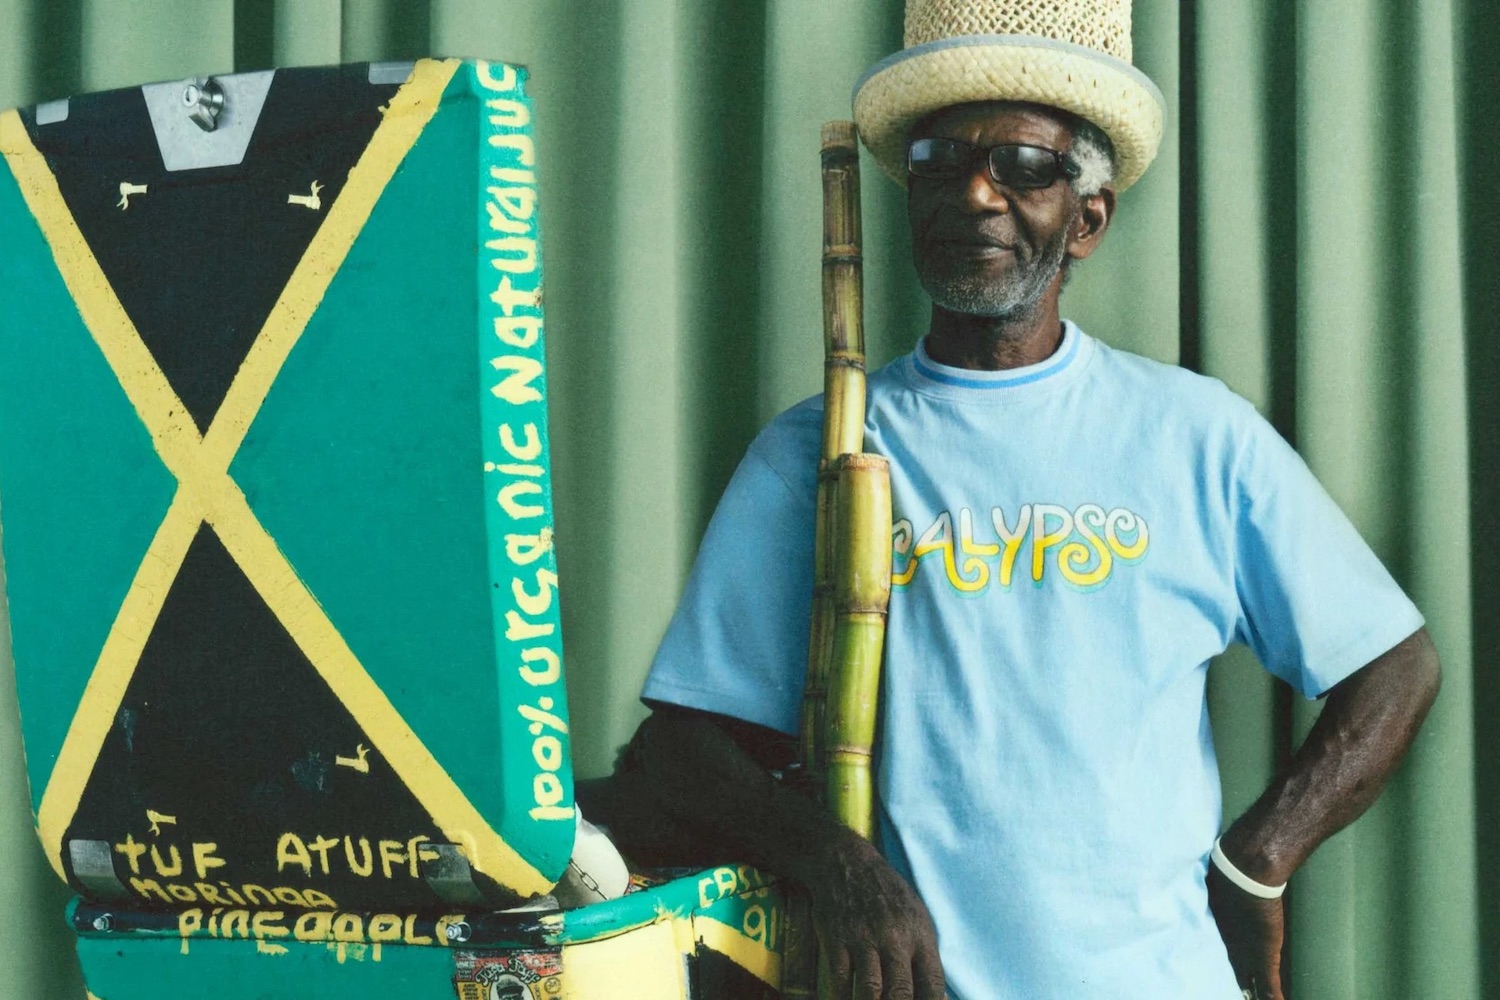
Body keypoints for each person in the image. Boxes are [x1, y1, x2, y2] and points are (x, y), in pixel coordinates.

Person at [581, 2, 1441, 998]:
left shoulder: (1198, 436)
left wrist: (1257, 857)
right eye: (943, 159)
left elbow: (1395, 663)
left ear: (1089, 219)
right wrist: (842, 866)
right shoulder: (819, 451)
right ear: (910, 197)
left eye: (1026, 166)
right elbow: (684, 749)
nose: (977, 193)